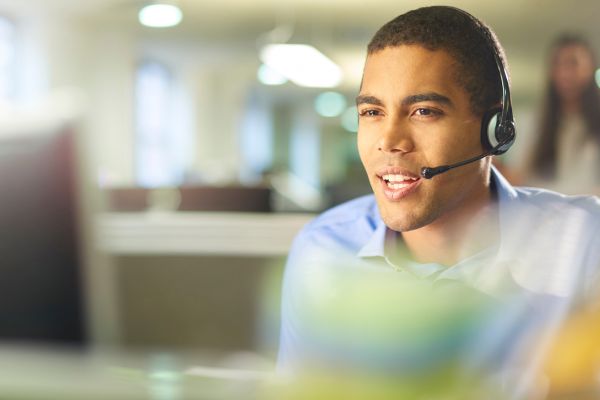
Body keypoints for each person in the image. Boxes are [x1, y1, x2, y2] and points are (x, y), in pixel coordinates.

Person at [277, 6, 600, 399]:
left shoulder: (584, 242)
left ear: (495, 130)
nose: (389, 140)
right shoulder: (322, 249)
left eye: (423, 111)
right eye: (372, 111)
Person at [527, 34, 600, 195]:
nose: (564, 73)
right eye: (557, 64)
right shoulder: (542, 125)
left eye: (573, 63)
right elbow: (527, 179)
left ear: (591, 68)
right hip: (553, 215)